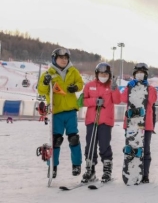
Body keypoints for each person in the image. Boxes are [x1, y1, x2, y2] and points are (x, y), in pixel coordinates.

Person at [37, 48, 84, 178]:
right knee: (56, 140)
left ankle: (76, 164)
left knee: (73, 138)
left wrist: (76, 87)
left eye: (66, 58)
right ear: (54, 59)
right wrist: (46, 82)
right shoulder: (48, 73)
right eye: (61, 57)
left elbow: (80, 83)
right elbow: (41, 90)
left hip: (70, 111)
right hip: (56, 112)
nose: (64, 60)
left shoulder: (73, 71)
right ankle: (52, 166)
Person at [81, 62, 121, 183]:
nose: (103, 75)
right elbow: (82, 101)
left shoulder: (111, 86)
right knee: (90, 144)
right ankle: (90, 169)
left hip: (105, 121)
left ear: (109, 75)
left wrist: (115, 89)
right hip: (92, 120)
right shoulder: (89, 85)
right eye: (101, 73)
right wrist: (94, 101)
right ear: (97, 74)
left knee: (104, 145)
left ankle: (107, 170)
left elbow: (117, 101)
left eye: (106, 73)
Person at [121, 63, 158, 183]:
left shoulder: (151, 88)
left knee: (145, 149)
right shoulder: (130, 87)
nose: (140, 74)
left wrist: (148, 88)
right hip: (132, 123)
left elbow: (152, 100)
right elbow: (122, 99)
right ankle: (131, 170)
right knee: (131, 147)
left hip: (146, 124)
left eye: (142, 72)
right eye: (137, 72)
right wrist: (128, 87)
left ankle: (145, 174)